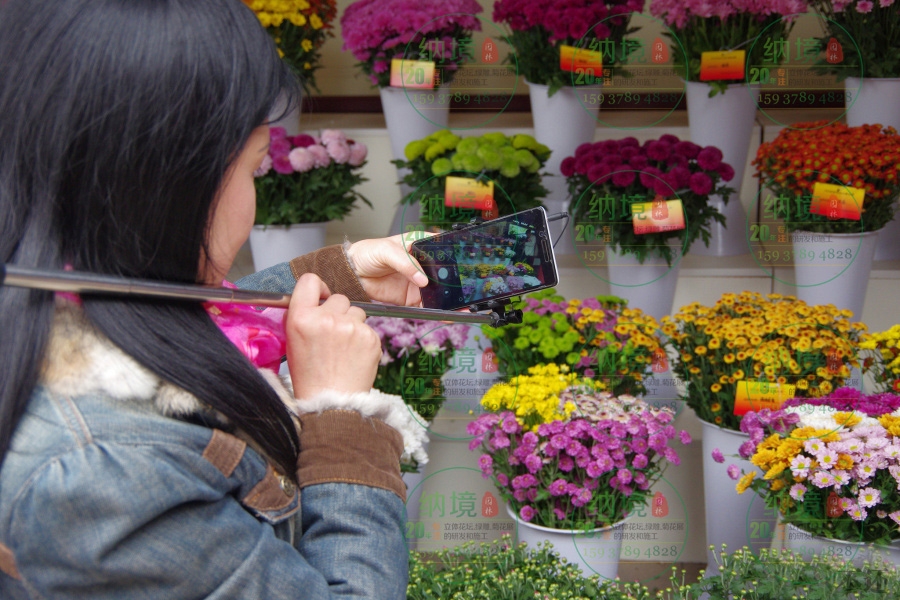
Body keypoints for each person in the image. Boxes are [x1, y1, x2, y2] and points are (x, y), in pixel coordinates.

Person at [0, 1, 426, 598]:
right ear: (161, 185)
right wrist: (342, 413)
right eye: (253, 165)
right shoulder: (105, 477)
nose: (254, 199)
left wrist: (341, 274)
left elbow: (174, 317)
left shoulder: (41, 297)